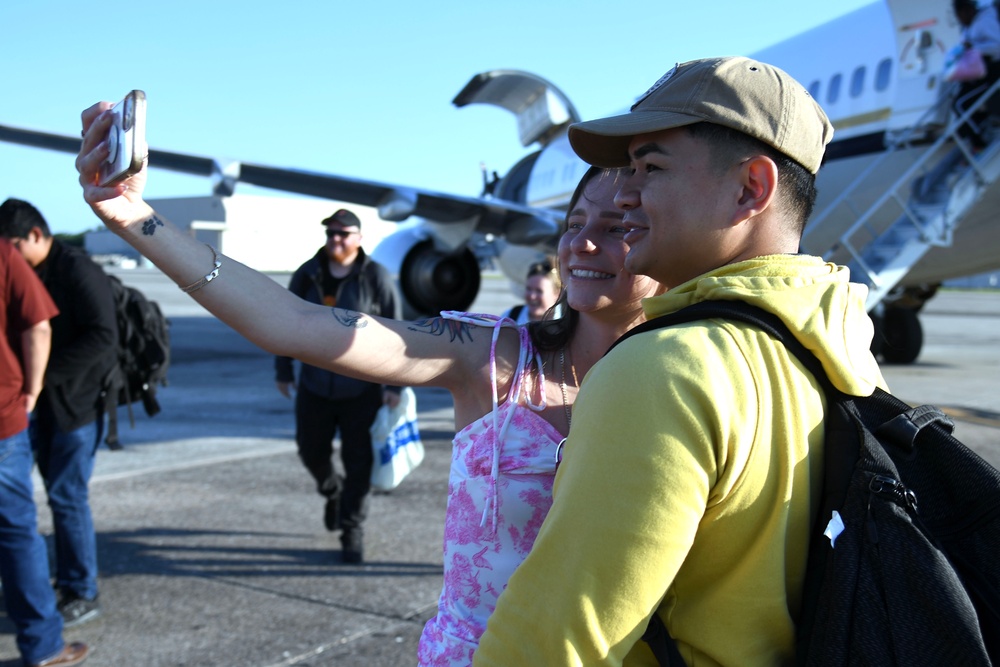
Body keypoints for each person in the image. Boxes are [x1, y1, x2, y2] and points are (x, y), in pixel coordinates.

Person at [73, 107, 660, 665]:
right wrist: (134, 217)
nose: (582, 243)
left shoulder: (704, 377)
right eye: (575, 223)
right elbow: (294, 323)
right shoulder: (494, 358)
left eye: (617, 227)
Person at [473, 56, 888, 666]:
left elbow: (554, 645)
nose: (624, 192)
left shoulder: (667, 367)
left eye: (650, 166)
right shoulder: (839, 345)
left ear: (751, 187)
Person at [0, 199, 118, 629]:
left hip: (76, 407)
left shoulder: (77, 270)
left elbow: (104, 337)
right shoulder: (28, 269)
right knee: (23, 502)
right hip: (34, 404)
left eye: (12, 245)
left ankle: (82, 590)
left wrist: (41, 377)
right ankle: (40, 583)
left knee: (67, 497)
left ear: (35, 235)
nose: (8, 255)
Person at [274, 207, 402, 564]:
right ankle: (332, 492)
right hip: (314, 384)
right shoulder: (308, 273)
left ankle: (352, 529)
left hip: (362, 388)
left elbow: (397, 330)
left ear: (359, 238)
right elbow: (284, 320)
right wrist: (283, 368)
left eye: (344, 234)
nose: (336, 240)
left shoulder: (375, 276)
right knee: (310, 450)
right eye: (331, 233)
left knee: (358, 462)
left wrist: (395, 384)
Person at [1, 238, 90, 667]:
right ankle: (42, 646)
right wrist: (32, 390)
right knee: (16, 533)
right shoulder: (3, 254)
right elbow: (38, 325)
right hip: (3, 417)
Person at [952, 0, 1000, 151]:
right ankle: (976, 135)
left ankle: (979, 144)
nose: (960, 20)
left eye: (960, 15)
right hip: (979, 74)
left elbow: (997, 47)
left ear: (967, 10)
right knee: (960, 102)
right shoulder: (969, 27)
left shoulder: (984, 21)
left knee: (960, 104)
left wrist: (974, 48)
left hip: (993, 73)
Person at [500, 257, 562, 324]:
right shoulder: (510, 317)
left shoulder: (569, 321)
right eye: (528, 289)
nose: (532, 296)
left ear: (557, 293)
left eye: (539, 291)